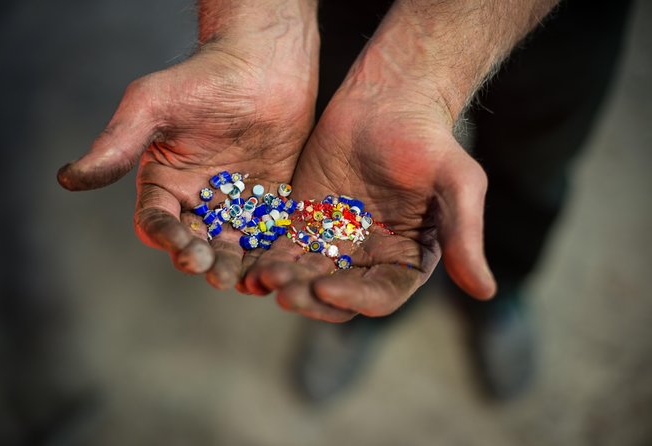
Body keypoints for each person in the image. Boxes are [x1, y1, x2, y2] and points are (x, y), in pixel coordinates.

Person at [57, 0, 632, 401]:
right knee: (368, 177)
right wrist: (253, 35)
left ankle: (501, 292)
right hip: (348, 9)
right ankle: (363, 321)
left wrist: (420, 77)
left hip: (563, 21)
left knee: (529, 171)